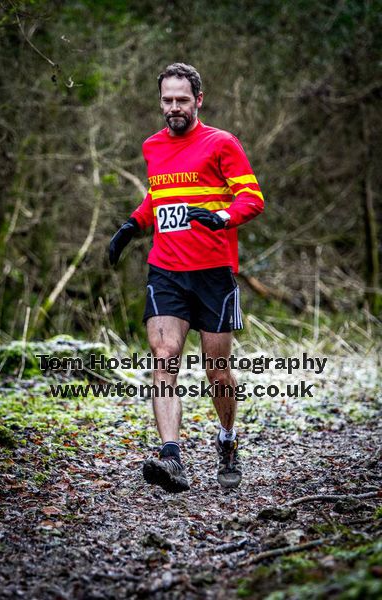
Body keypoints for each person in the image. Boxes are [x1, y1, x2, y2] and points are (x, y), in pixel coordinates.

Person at [109, 63, 264, 493]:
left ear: (198, 100)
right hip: (167, 270)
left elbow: (252, 198)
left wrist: (219, 217)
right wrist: (132, 226)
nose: (173, 107)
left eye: (181, 99)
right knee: (164, 358)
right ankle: (171, 458)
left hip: (213, 273)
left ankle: (228, 441)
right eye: (166, 100)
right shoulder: (152, 146)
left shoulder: (222, 144)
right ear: (160, 101)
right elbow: (159, 196)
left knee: (217, 371)